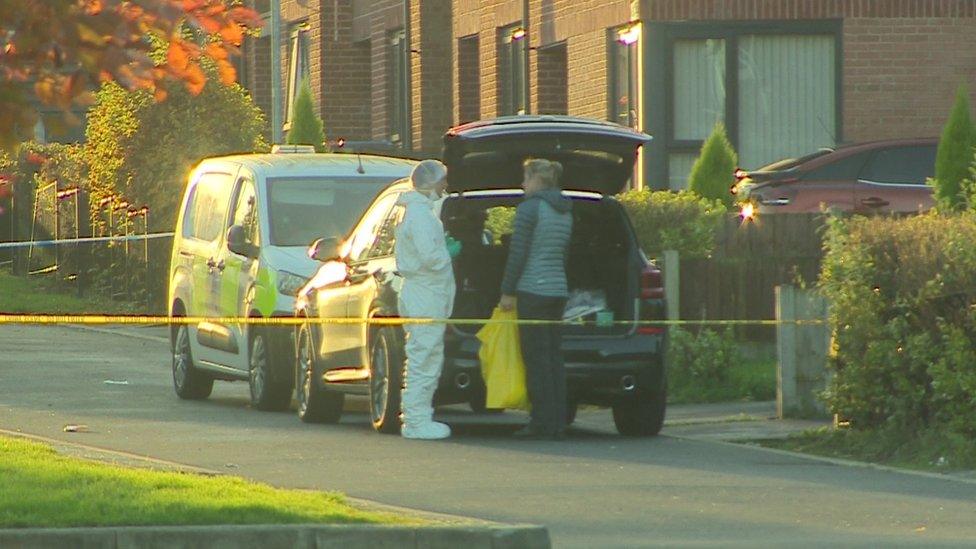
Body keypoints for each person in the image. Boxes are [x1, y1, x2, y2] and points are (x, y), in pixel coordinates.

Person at [499, 158, 573, 440]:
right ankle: (557, 421)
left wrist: (508, 290)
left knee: (535, 359)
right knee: (554, 358)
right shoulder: (566, 210)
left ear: (537, 181)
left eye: (525, 179)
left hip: (533, 290)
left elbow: (518, 254)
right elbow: (563, 254)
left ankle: (541, 423)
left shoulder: (530, 210)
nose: (522, 184)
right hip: (557, 290)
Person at [394, 159, 456, 440]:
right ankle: (416, 421)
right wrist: (449, 253)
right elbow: (430, 257)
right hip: (424, 294)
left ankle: (417, 417)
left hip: (423, 293)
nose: (445, 185)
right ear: (431, 182)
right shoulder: (419, 216)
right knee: (425, 356)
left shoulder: (421, 212)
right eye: (442, 180)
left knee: (425, 354)